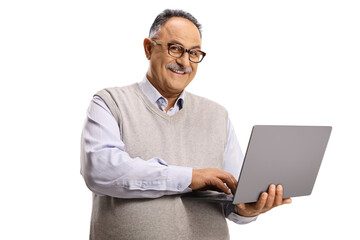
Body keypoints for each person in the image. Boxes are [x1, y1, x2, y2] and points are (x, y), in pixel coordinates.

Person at [80, 9, 292, 240]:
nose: (184, 62)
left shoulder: (217, 115)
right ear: (149, 48)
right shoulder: (110, 103)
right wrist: (190, 178)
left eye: (194, 53)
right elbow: (100, 170)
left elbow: (234, 198)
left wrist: (247, 210)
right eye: (175, 49)